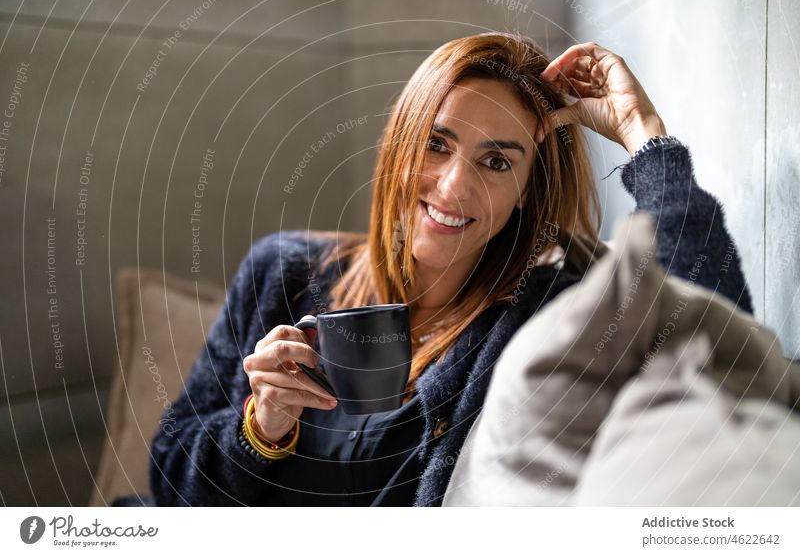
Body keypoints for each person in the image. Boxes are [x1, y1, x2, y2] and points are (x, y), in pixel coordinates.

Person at [149, 32, 753, 506]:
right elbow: (168, 483)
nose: (454, 185)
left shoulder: (533, 317)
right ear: (400, 141)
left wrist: (642, 135)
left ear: (525, 190)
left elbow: (711, 350)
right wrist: (262, 427)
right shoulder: (281, 270)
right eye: (436, 144)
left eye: (496, 162)